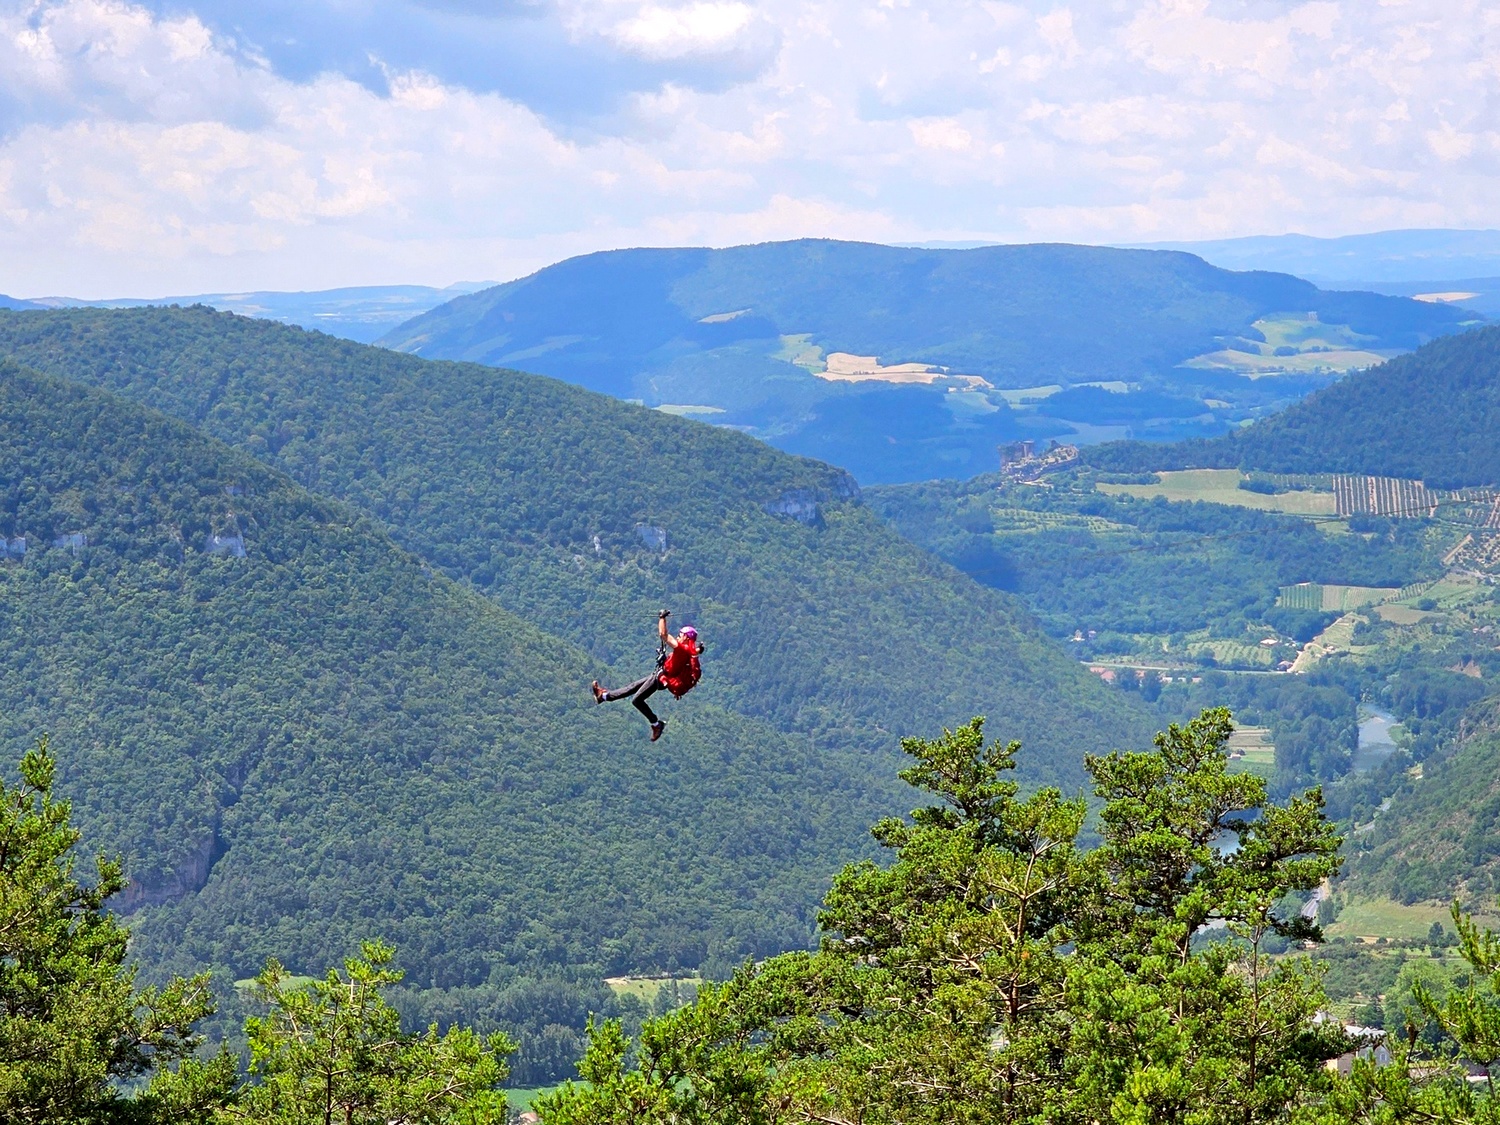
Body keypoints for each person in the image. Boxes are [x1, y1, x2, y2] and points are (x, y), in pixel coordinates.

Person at [592, 611, 701, 741]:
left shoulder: (682, 649)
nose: (678, 636)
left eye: (680, 635)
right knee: (632, 687)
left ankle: (656, 724)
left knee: (636, 700)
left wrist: (662, 618)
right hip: (661, 675)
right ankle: (603, 696)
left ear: (686, 638)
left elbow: (663, 635)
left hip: (660, 679)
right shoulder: (689, 652)